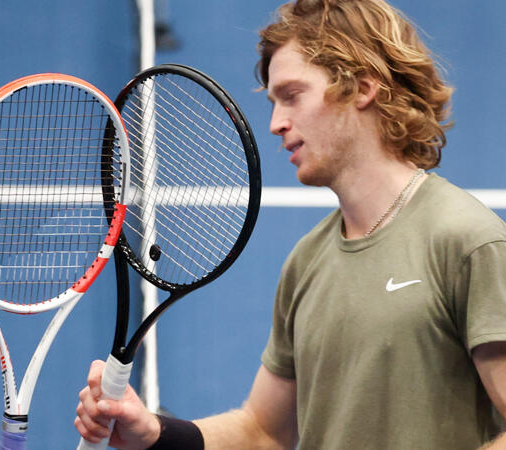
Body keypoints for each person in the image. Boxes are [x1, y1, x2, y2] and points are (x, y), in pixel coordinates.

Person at [74, 0, 506, 448]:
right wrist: (155, 433)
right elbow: (263, 430)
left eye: (293, 95)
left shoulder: (469, 241)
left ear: (362, 87)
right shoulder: (308, 260)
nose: (277, 123)